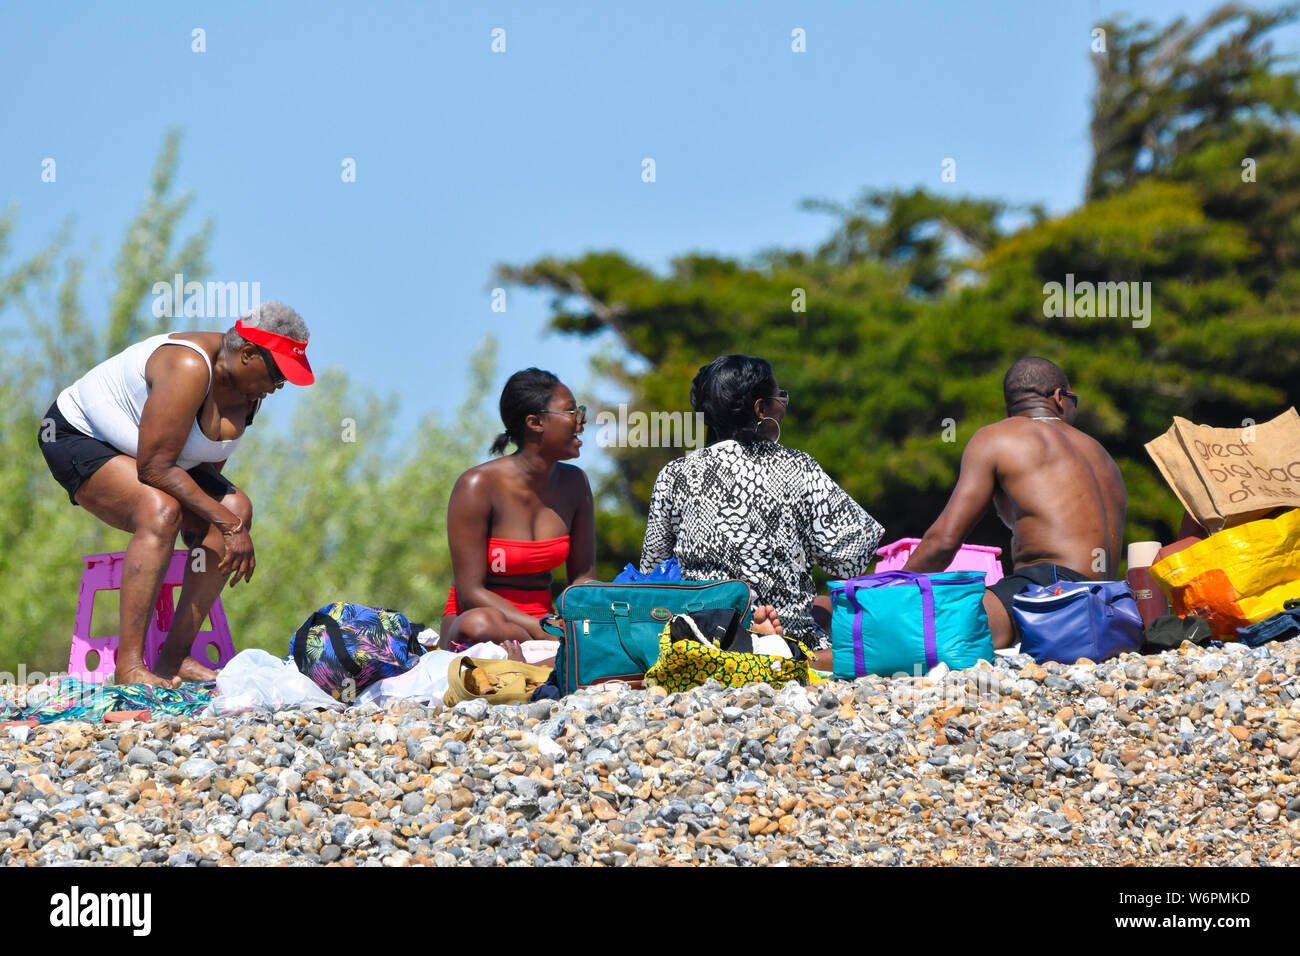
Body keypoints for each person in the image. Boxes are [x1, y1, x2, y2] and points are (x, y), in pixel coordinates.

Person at [38, 302, 314, 687]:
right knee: (161, 510)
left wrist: (216, 526)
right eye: (278, 373)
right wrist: (223, 524)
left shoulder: (251, 394)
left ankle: (175, 658)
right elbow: (154, 468)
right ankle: (130, 667)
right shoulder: (189, 368)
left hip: (148, 454)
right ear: (248, 354)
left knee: (237, 507)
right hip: (79, 436)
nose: (279, 386)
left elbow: (201, 462)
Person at [639, 354, 884, 669]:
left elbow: (653, 572)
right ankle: (779, 649)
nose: (784, 404)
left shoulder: (675, 474)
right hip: (787, 634)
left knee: (818, 605)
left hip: (702, 634)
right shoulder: (798, 466)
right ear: (760, 410)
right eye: (779, 397)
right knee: (825, 605)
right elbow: (850, 560)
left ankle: (742, 641)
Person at [903, 357, 1127, 648]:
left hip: (1051, 591)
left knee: (907, 634)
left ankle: (826, 658)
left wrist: (892, 593)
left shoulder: (997, 437)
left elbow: (943, 542)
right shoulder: (1100, 452)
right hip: (1110, 603)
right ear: (1060, 399)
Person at [439, 369, 598, 658]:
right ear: (535, 422)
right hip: (485, 623)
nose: (582, 420)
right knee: (481, 626)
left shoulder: (576, 483)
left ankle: (541, 663)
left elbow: (583, 582)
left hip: (547, 625)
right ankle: (548, 662)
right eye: (572, 411)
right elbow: (470, 592)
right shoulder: (476, 486)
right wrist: (539, 628)